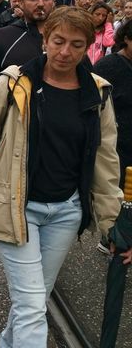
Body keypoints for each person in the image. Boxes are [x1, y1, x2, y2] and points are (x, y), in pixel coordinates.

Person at [0, 6, 127, 348]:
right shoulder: (17, 81)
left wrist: (113, 225)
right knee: (31, 305)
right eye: (58, 41)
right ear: (45, 38)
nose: (64, 51)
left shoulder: (98, 92)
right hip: (17, 208)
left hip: (66, 211)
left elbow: (105, 164)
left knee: (35, 299)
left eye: (76, 44)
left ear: (88, 45)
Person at [94, 20, 132, 254]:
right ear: (126, 38)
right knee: (118, 193)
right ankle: (112, 236)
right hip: (117, 144)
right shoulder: (109, 66)